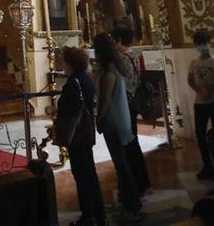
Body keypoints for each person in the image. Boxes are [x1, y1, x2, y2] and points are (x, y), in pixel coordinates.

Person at [92, 32, 143, 222]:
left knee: (121, 165)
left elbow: (104, 101)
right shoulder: (115, 68)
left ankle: (132, 204)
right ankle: (125, 201)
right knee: (121, 163)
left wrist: (98, 120)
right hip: (120, 120)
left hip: (113, 123)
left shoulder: (109, 73)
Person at [58, 45, 108, 226]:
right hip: (86, 132)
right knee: (90, 171)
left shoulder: (73, 83)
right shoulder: (87, 79)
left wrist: (55, 109)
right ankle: (98, 210)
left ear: (69, 63)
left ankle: (88, 215)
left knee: (81, 173)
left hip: (77, 134)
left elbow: (68, 109)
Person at [111, 26, 151, 198]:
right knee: (133, 142)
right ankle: (142, 180)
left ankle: (135, 183)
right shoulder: (134, 54)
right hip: (133, 100)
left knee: (128, 143)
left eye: (114, 40)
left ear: (119, 40)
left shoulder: (121, 58)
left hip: (125, 102)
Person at [188, 28, 214, 180]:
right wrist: (198, 89)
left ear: (209, 44)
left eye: (204, 43)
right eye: (198, 44)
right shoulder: (194, 63)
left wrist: (211, 88)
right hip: (200, 103)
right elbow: (190, 79)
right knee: (200, 135)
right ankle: (207, 165)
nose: (201, 46)